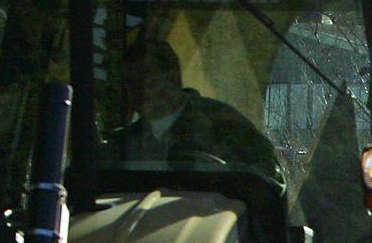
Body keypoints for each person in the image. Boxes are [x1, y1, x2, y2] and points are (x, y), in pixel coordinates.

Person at [116, 39, 281, 182]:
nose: (139, 88)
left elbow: (268, 183)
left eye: (147, 77)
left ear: (174, 76)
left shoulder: (224, 125)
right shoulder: (121, 144)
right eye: (130, 82)